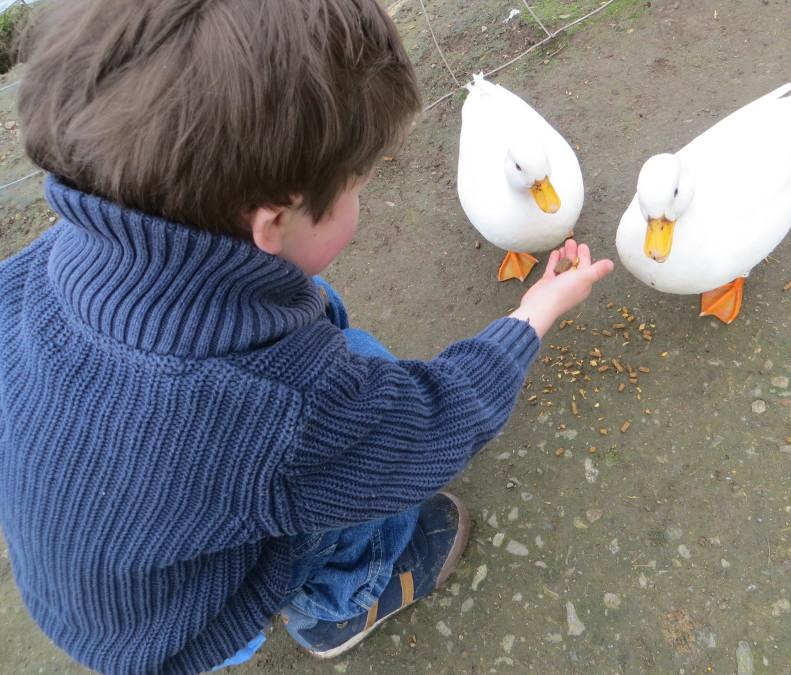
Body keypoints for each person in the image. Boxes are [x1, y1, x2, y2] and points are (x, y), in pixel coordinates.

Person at [0, 0, 614, 672]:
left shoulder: (36, 267)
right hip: (179, 622)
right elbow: (431, 426)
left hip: (94, 579)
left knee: (317, 336)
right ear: (273, 220)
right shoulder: (271, 413)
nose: (364, 199)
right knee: (338, 474)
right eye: (357, 187)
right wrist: (533, 316)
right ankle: (346, 595)